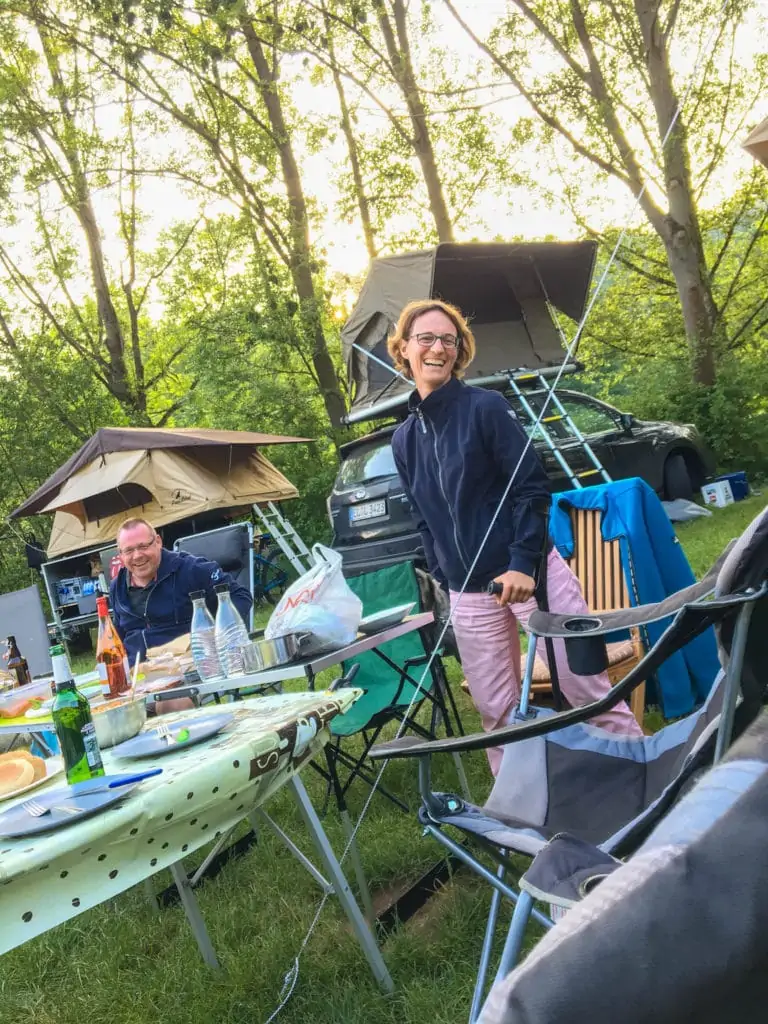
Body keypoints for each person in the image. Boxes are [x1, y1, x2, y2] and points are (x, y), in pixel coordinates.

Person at [388, 299, 643, 775]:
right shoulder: (404, 438)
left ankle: (644, 778)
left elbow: (532, 488)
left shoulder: (487, 408)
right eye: (426, 338)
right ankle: (523, 813)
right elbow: (424, 518)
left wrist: (523, 562)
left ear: (460, 350)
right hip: (469, 592)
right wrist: (446, 577)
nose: (438, 348)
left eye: (449, 339)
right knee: (497, 714)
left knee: (586, 690)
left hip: (531, 574)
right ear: (404, 349)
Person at [109, 517, 253, 662]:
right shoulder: (117, 586)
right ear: (120, 554)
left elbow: (240, 596)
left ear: (158, 542)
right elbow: (118, 633)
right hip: (138, 675)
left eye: (143, 546)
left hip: (191, 666)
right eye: (128, 550)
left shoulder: (190, 569)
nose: (137, 556)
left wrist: (216, 636)